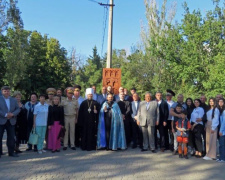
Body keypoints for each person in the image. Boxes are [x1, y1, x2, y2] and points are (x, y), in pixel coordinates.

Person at [0, 86, 20, 158]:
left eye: (8, 91)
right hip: (1, 120)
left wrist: (13, 114)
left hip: (11, 121)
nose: (6, 92)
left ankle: (11, 152)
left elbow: (18, 109)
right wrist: (5, 115)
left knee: (11, 137)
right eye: (5, 91)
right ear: (2, 91)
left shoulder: (13, 100)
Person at [217, 98, 225, 163]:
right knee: (221, 144)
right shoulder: (220, 110)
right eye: (219, 102)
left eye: (222, 102)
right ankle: (221, 157)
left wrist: (221, 130)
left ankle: (222, 158)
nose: (220, 103)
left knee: (222, 144)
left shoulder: (224, 111)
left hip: (223, 131)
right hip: (222, 130)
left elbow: (224, 122)